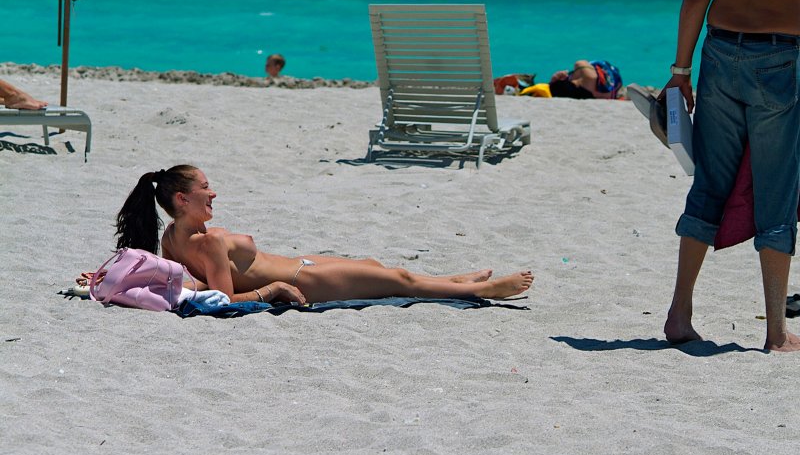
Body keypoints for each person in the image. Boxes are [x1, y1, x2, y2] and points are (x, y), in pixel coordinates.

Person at [115, 165, 534, 304]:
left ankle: (454, 279)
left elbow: (191, 281)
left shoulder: (172, 236)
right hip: (303, 279)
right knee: (398, 283)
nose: (214, 191)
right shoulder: (204, 242)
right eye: (206, 187)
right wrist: (273, 288)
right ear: (184, 199)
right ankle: (484, 291)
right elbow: (222, 299)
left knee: (379, 268)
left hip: (303, 264)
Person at [661, 0, 800, 351]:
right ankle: (776, 333)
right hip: (780, 54)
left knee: (709, 184)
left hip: (720, 51)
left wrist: (680, 71)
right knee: (777, 194)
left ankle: (678, 314)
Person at [549, 60, 622, 100]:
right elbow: (582, 62)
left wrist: (552, 83)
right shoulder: (586, 73)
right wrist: (565, 75)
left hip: (615, 91)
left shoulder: (588, 95)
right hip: (614, 75)